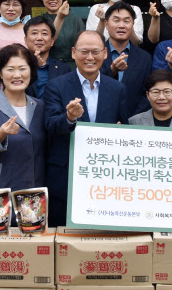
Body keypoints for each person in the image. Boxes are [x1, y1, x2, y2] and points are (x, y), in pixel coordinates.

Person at [44, 31, 128, 227]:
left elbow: (123, 125)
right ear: (73, 53)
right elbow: (49, 125)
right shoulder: (56, 86)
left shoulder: (117, 89)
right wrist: (69, 118)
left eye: (95, 51)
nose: (90, 57)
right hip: (66, 177)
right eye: (84, 51)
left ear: (105, 53)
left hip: (105, 179)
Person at [0, 44, 46, 191]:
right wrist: (0, 134)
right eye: (10, 69)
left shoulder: (39, 106)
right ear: (0, 73)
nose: (17, 75)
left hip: (33, 194)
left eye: (23, 68)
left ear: (31, 71)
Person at [100, 2, 152, 118]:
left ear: (132, 25)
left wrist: (132, 120)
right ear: (106, 24)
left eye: (127, 21)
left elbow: (147, 94)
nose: (122, 25)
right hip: (100, 122)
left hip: (134, 124)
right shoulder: (95, 54)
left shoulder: (144, 58)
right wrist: (112, 70)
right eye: (116, 20)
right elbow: (89, 86)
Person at [37, 0, 85, 68]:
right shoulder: (38, 21)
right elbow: (44, 45)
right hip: (48, 68)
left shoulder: (76, 20)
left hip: (73, 68)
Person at [23, 16, 72, 99]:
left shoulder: (63, 70)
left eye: (44, 34)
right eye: (34, 33)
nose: (39, 38)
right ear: (26, 40)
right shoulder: (17, 67)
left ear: (52, 41)